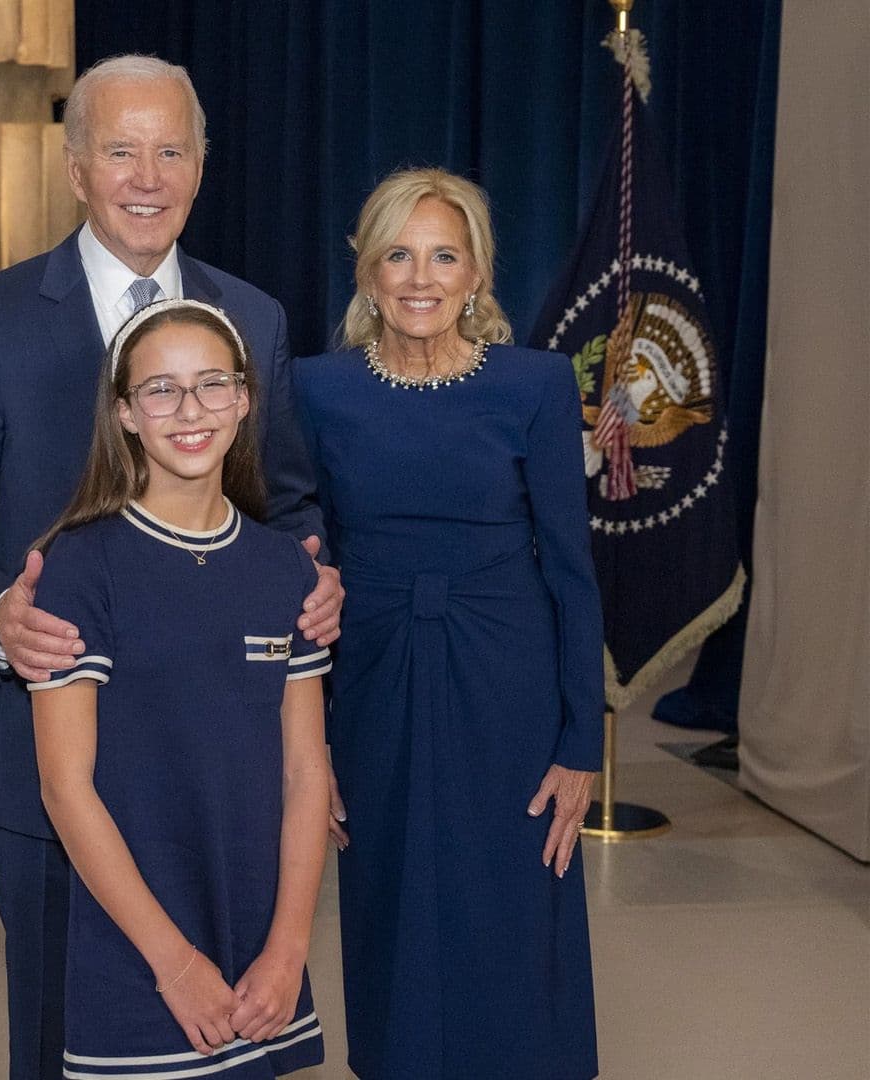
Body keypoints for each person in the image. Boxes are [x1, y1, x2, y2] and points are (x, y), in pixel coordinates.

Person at [0, 54, 343, 1080]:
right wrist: (1, 614)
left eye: (171, 150)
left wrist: (318, 576)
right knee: (62, 1044)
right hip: (55, 769)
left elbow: (290, 502)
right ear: (74, 169)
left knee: (234, 1036)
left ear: (201, 167)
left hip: (220, 764)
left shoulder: (256, 319)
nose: (147, 175)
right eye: (120, 150)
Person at [294, 167, 602, 1078]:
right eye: (398, 254)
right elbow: (303, 572)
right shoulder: (316, 389)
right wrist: (308, 747)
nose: (419, 277)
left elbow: (573, 575)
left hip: (510, 684)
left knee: (512, 904)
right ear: (367, 272)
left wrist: (582, 741)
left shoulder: (536, 384)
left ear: (476, 275)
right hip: (375, 680)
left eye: (443, 255)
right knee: (388, 900)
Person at [30, 299, 331, 1078]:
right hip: (138, 946)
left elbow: (306, 773)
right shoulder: (81, 566)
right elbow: (67, 788)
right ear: (125, 413)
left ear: (246, 399)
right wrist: (174, 964)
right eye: (160, 390)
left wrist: (289, 948)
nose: (190, 411)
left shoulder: (284, 568)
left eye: (212, 385)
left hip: (259, 948)